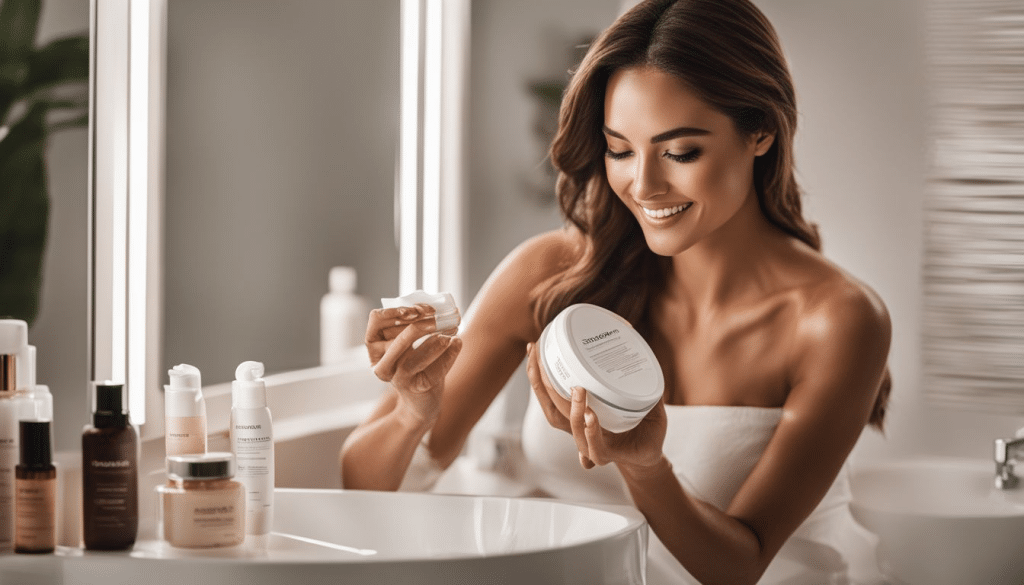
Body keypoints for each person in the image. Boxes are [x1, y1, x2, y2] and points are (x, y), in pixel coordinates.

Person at [340, 0, 892, 583]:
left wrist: (645, 466)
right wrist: (413, 412)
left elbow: (740, 566)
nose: (644, 185)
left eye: (680, 152)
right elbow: (364, 491)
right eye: (620, 150)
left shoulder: (838, 319)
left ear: (760, 130)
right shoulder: (550, 274)